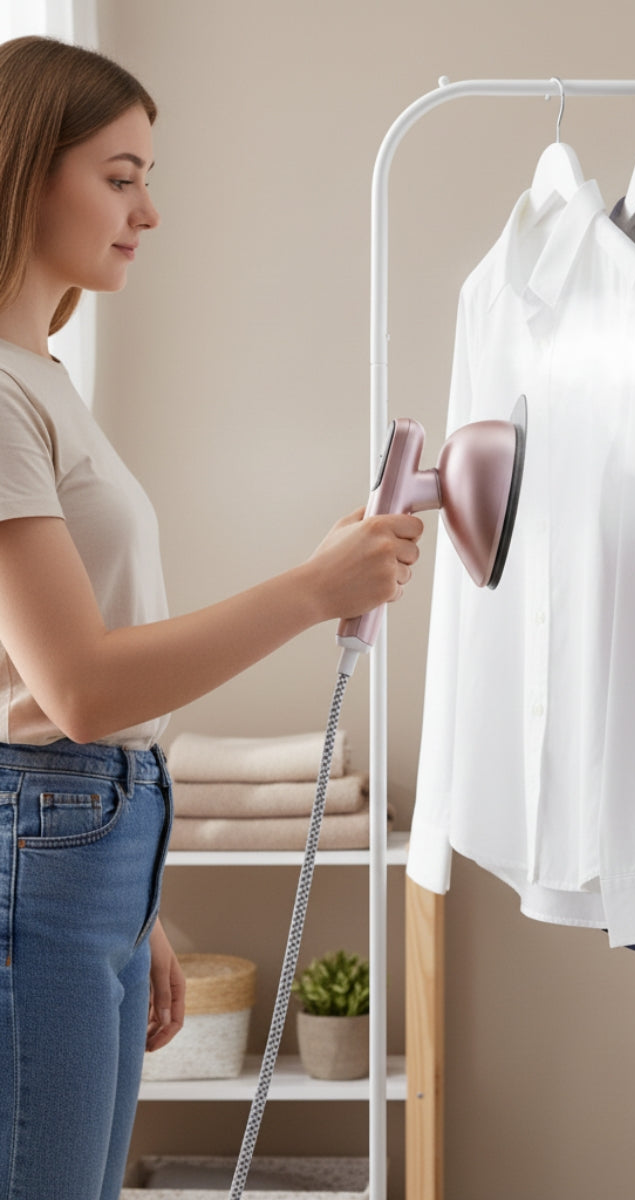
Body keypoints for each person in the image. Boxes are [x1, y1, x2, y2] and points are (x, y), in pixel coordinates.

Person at [0, 35, 423, 1199]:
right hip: (46, 834)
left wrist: (137, 904)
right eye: (119, 177)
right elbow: (79, 688)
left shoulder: (41, 379)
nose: (148, 212)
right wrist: (313, 590)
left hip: (88, 841)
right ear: (22, 169)